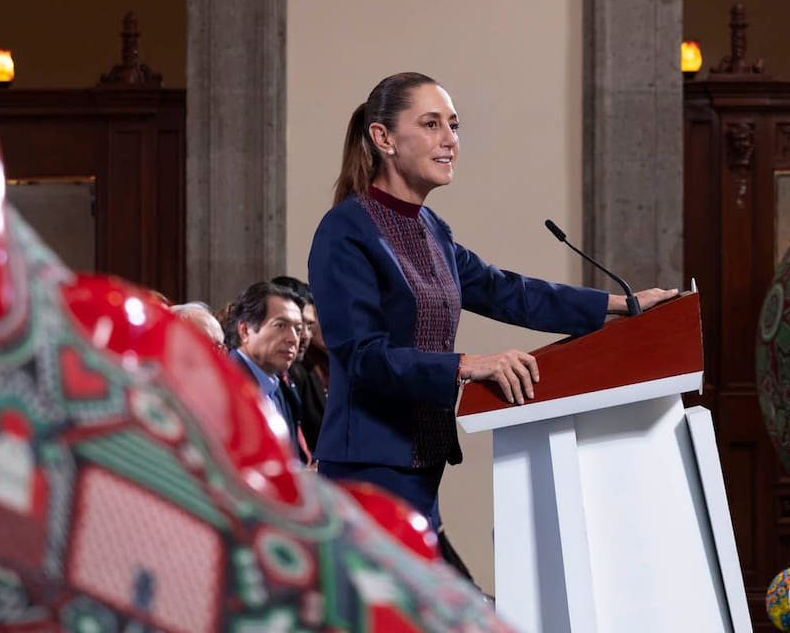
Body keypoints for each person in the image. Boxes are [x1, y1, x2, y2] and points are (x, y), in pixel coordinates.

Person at [307, 71, 677, 569]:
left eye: (454, 126)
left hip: (422, 460)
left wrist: (617, 306)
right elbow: (362, 356)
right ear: (383, 138)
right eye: (432, 124)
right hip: (368, 468)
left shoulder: (432, 229)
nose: (450, 140)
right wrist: (467, 365)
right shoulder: (345, 231)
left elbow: (509, 292)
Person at [227, 281, 311, 465]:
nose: (293, 339)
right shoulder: (225, 383)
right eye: (281, 325)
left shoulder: (282, 386)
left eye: (297, 330)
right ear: (245, 330)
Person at [272, 276, 329, 452]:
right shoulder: (276, 374)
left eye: (308, 326)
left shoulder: (298, 371)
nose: (303, 336)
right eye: (297, 326)